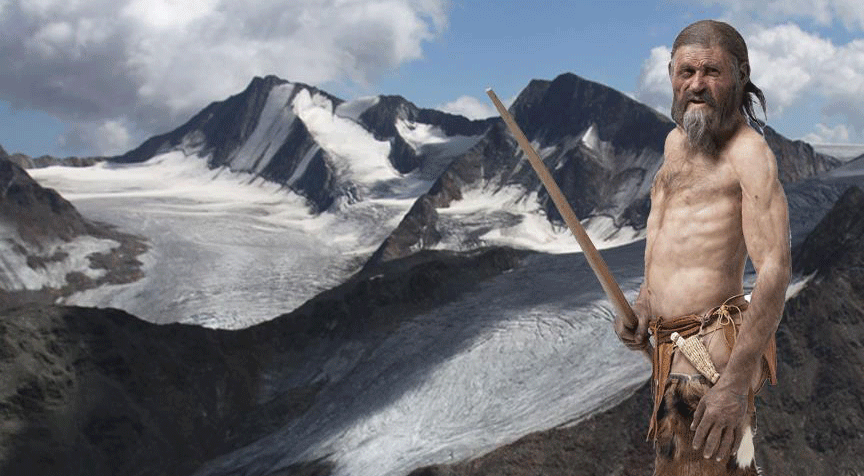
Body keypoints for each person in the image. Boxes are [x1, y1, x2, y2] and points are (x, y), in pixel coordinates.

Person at [613, 20, 791, 475]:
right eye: (685, 71)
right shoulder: (676, 142)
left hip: (710, 362)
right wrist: (645, 304)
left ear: (740, 75)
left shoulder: (748, 154)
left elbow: (773, 269)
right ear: (671, 73)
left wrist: (733, 385)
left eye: (712, 71)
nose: (696, 84)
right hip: (670, 352)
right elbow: (669, 239)